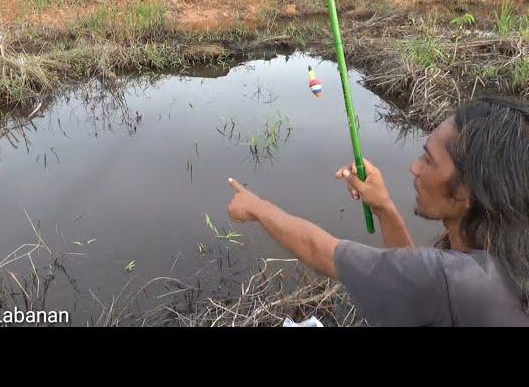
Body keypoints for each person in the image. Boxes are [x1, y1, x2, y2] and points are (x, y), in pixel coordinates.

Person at [226, 96, 529, 326]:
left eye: (429, 161)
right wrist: (383, 207)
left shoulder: (454, 279)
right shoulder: (505, 259)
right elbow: (417, 283)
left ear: (466, 191)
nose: (415, 167)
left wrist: (257, 207)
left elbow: (320, 251)